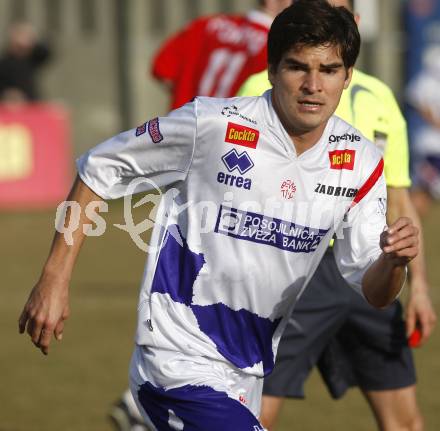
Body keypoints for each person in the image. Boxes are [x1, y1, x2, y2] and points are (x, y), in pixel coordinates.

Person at [18, 1, 419, 429]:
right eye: (297, 67)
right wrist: (55, 279)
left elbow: (374, 290)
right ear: (271, 70)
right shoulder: (211, 125)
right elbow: (100, 167)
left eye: (329, 69)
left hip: (248, 370)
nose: (312, 85)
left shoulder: (360, 160)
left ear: (349, 76)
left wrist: (395, 263)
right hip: (175, 361)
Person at [238, 1, 436, 430]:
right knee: (253, 417)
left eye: (338, 11)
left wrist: (418, 285)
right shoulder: (261, 84)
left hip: (370, 263)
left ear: (355, 24)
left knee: (406, 422)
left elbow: (398, 197)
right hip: (294, 267)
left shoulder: (380, 97)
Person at [151, 0, 292, 109]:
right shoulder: (278, 45)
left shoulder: (206, 24)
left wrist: (185, 95)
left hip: (182, 123)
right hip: (230, 133)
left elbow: (162, 70)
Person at [406, 46, 440, 218]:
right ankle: (408, 221)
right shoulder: (430, 75)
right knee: (423, 191)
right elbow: (416, 97)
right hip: (431, 147)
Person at [0, 22, 51, 103]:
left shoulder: (31, 59)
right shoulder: (4, 62)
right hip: (9, 106)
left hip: (30, 103)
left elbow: (46, 51)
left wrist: (32, 40)